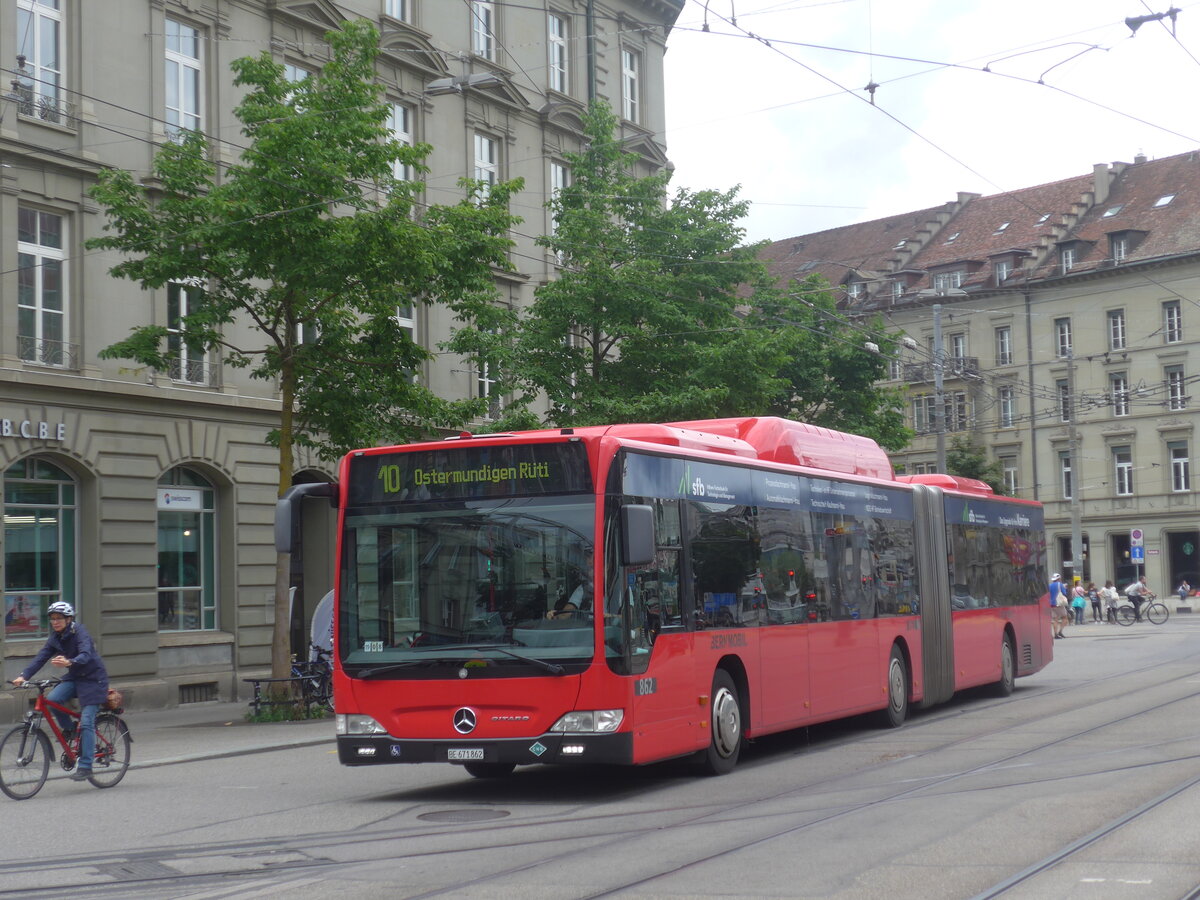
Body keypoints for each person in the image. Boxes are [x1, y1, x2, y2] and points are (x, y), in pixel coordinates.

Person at [10, 602, 109, 782]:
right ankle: (71, 729)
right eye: (52, 619)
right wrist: (23, 675)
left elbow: (86, 653)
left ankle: (86, 767)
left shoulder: (79, 632)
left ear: (69, 619)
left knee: (87, 722)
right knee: (54, 699)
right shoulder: (55, 637)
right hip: (75, 678)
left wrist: (70, 662)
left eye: (59, 618)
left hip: (94, 680)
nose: (55, 622)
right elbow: (41, 657)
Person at [1048, 573, 1068, 639]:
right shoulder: (1060, 584)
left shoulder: (1049, 585)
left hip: (1051, 604)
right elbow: (1064, 593)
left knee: (1055, 620)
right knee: (1065, 618)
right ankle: (1060, 631)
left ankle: (1055, 634)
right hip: (1059, 604)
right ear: (1059, 579)